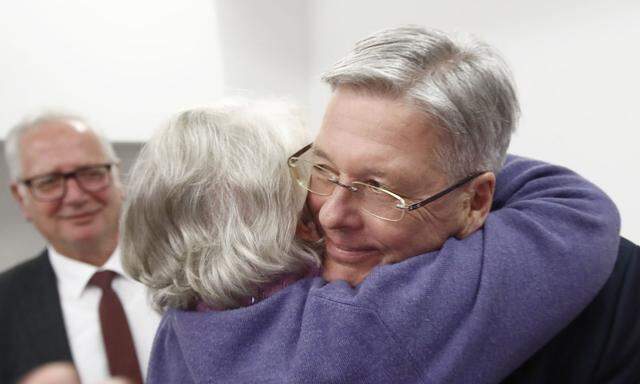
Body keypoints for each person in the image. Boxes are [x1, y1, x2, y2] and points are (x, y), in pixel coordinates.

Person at [122, 91, 619, 383]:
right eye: (319, 172)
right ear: (290, 218)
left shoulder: (178, 332)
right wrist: (423, 165)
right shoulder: (356, 326)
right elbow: (575, 212)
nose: (336, 203)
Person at [0, 113, 161, 383]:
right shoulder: (5, 304)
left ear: (117, 175)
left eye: (91, 174)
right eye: (49, 182)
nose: (75, 196)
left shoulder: (190, 272)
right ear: (20, 197)